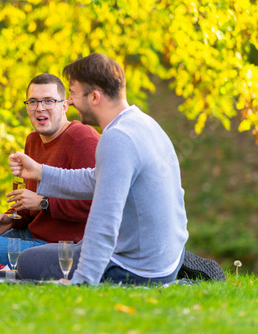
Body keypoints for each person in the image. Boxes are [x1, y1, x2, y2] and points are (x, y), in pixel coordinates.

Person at [12, 53, 225, 284]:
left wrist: (83, 281)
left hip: (137, 269)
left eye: (72, 93)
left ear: (94, 97)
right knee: (65, 251)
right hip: (166, 257)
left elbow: (105, 220)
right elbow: (95, 179)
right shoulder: (143, 123)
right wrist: (40, 172)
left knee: (27, 262)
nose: (70, 102)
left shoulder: (117, 138)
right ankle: (174, 268)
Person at [0, 73, 101, 270]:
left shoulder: (83, 138)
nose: (40, 108)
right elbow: (32, 208)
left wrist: (43, 202)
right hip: (33, 235)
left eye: (48, 101)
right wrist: (11, 219)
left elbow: (96, 205)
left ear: (64, 106)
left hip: (64, 246)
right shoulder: (33, 140)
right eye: (33, 102)